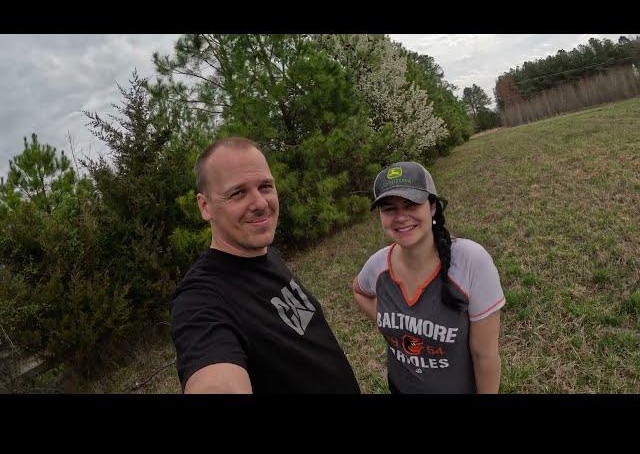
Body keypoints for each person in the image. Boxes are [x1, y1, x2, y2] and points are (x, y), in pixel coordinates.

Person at [170, 137, 360, 394]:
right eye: (238, 193)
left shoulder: (268, 255)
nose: (260, 203)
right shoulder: (200, 297)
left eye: (265, 186)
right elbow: (215, 380)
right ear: (205, 206)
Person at [352, 161, 505, 394]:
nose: (401, 217)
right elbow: (359, 290)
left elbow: (485, 356)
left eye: (411, 204)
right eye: (389, 208)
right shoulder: (378, 264)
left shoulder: (470, 261)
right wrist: (390, 323)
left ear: (432, 206)